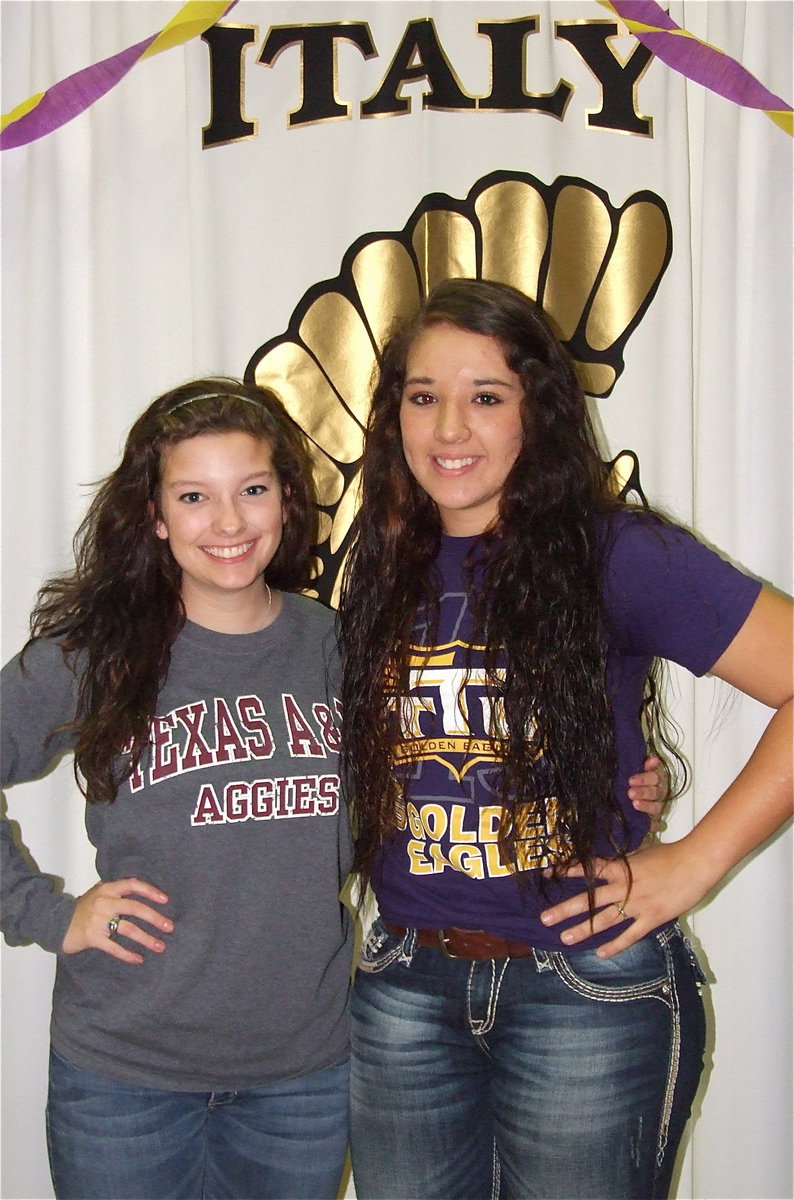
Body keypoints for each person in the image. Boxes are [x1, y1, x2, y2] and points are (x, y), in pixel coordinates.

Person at [338, 279, 793, 1200]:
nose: (450, 427)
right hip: (402, 987)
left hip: (585, 993)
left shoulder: (617, 551)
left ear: (537, 413)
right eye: (423, 396)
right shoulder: (381, 564)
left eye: (486, 396)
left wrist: (694, 863)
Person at [0, 379, 354, 1200]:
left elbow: (441, 773)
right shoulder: (97, 653)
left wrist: (623, 789)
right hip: (124, 1076)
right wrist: (46, 913)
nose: (228, 524)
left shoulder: (337, 646)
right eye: (195, 496)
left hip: (301, 1077)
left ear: (287, 500)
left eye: (252, 491)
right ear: (156, 516)